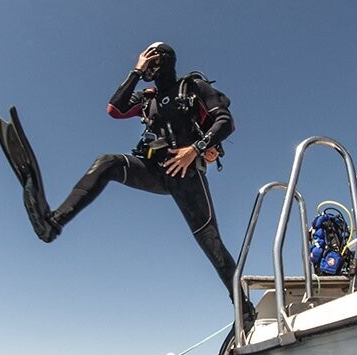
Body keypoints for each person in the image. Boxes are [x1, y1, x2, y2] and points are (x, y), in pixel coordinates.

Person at [22, 42, 241, 303]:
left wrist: (194, 149)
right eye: (144, 59)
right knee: (107, 163)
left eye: (152, 58)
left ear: (166, 60)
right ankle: (53, 224)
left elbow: (225, 122)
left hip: (187, 174)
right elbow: (114, 109)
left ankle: (244, 308)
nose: (148, 64)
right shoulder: (147, 98)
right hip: (154, 170)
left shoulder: (192, 88)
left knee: (212, 245)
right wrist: (135, 72)